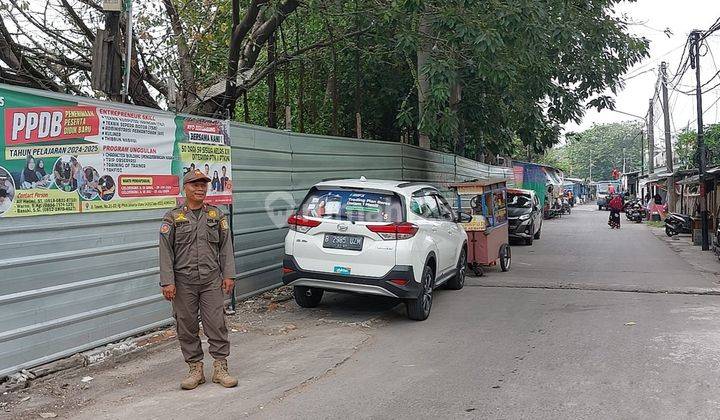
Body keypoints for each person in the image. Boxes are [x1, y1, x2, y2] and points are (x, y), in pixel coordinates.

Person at [159, 169, 237, 390]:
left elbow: (225, 247)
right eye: (195, 185)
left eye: (203, 185)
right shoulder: (172, 217)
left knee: (217, 323)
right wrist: (168, 281)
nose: (200, 188)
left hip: (211, 280)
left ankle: (220, 367)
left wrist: (229, 274)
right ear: (185, 188)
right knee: (186, 325)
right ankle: (195, 369)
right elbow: (166, 251)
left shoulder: (216, 215)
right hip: (183, 282)